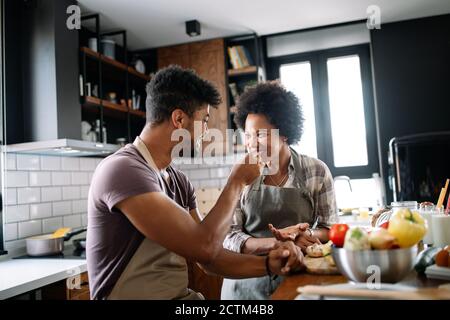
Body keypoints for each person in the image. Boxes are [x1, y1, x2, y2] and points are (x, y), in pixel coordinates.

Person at [86, 66, 304, 300]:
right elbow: (205, 247)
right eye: (205, 120)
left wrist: (270, 265)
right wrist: (237, 181)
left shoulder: (179, 181)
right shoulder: (123, 170)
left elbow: (209, 260)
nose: (207, 131)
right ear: (179, 118)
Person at [222, 81, 338, 300]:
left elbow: (329, 228)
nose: (251, 144)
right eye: (247, 135)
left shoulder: (316, 171)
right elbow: (229, 236)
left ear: (284, 133)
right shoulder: (239, 173)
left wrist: (306, 235)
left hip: (297, 281)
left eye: (260, 135)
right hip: (245, 285)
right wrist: (278, 244)